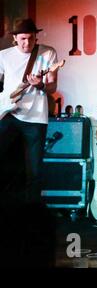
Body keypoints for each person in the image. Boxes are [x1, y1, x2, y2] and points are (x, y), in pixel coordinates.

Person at [0, 18, 58, 203]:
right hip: (8, 114)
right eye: (23, 38)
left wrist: (40, 84)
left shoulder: (48, 54)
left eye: (31, 38)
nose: (27, 43)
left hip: (35, 118)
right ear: (15, 38)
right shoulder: (3, 56)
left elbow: (52, 87)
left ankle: (31, 213)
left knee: (34, 170)